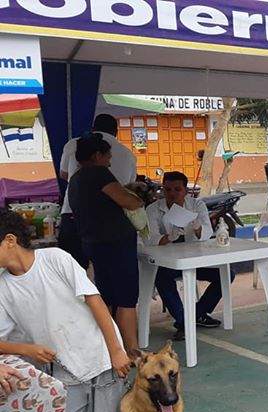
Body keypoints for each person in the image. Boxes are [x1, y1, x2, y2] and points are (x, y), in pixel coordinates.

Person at [0, 208, 130, 412]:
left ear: (10, 240)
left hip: (103, 360)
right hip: (63, 371)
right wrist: (27, 350)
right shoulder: (3, 287)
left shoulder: (55, 259)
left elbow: (95, 301)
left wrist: (116, 350)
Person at [67, 132, 143, 356]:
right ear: (97, 155)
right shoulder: (98, 173)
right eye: (108, 155)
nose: (110, 160)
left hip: (93, 242)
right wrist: (137, 197)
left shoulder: (76, 178)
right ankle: (132, 351)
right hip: (116, 242)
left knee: (107, 296)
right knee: (126, 298)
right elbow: (128, 201)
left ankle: (110, 348)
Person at [146, 171, 233, 340]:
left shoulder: (196, 205)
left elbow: (207, 232)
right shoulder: (153, 209)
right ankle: (183, 321)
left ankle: (196, 314)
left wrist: (197, 228)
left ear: (186, 191)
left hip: (194, 259)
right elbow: (150, 239)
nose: (172, 194)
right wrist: (169, 237)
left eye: (177, 189)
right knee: (161, 277)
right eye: (167, 189)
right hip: (168, 262)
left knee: (226, 274)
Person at [58, 114, 137, 269]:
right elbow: (128, 194)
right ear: (98, 156)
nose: (109, 163)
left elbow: (63, 174)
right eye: (108, 158)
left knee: (72, 270)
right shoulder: (125, 156)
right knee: (110, 272)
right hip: (108, 224)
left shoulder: (73, 146)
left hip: (73, 214)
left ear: (93, 128)